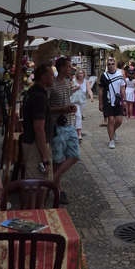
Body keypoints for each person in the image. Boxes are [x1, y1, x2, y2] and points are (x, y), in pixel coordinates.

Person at [48, 57, 80, 204]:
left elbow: (66, 101)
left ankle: (50, 182)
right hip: (57, 126)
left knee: (74, 155)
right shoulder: (52, 85)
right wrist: (61, 109)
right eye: (68, 67)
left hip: (68, 124)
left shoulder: (68, 84)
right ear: (62, 69)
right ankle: (57, 189)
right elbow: (45, 107)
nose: (70, 69)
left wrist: (71, 107)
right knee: (57, 159)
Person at [21, 64, 55, 186]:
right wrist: (45, 157)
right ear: (44, 78)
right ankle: (34, 206)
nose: (53, 77)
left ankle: (40, 205)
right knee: (36, 185)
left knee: (43, 184)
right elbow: (38, 128)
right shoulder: (38, 96)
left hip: (38, 143)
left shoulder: (37, 92)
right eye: (51, 75)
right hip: (36, 145)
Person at [99, 57, 126, 148]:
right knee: (110, 120)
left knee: (119, 121)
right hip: (108, 101)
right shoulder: (104, 76)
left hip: (117, 101)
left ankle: (113, 131)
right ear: (107, 66)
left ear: (114, 65)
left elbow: (122, 87)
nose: (110, 66)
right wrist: (100, 103)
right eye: (109, 64)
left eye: (112, 64)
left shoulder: (119, 74)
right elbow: (101, 90)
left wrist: (125, 100)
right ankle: (111, 140)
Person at [71, 68, 94, 141]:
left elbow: (89, 90)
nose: (80, 74)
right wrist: (76, 88)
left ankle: (73, 131)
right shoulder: (73, 81)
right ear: (77, 74)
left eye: (82, 73)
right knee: (78, 116)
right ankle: (79, 134)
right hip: (75, 101)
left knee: (79, 116)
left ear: (84, 74)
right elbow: (70, 90)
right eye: (79, 73)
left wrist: (91, 96)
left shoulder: (86, 81)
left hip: (82, 101)